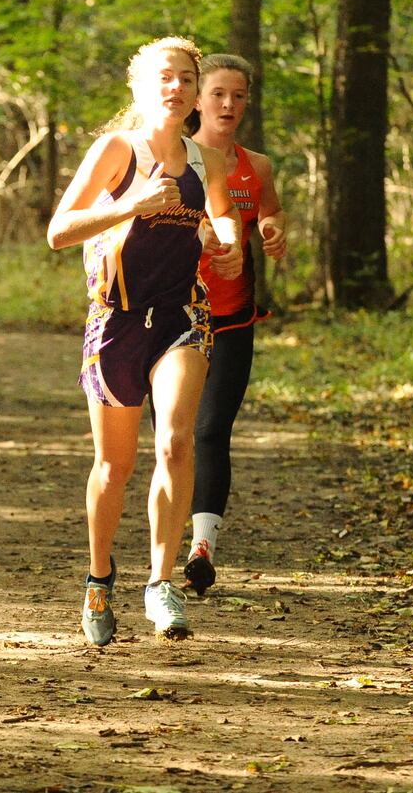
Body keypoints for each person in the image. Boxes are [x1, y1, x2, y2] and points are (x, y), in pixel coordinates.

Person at [46, 36, 242, 646]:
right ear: (138, 86)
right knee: (114, 465)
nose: (177, 87)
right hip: (116, 322)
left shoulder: (202, 158)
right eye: (165, 76)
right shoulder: (116, 150)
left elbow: (216, 216)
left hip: (182, 314)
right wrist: (129, 203)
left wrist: (223, 242)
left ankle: (161, 583)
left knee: (178, 439)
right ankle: (100, 576)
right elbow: (58, 230)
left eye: (186, 77)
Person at [180, 54, 287, 598]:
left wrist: (269, 228)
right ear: (197, 99)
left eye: (238, 96)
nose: (228, 104)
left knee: (210, 430)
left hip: (233, 316)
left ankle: (202, 546)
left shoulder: (258, 165)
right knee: (173, 436)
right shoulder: (172, 159)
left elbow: (267, 209)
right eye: (218, 94)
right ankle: (165, 536)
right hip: (172, 315)